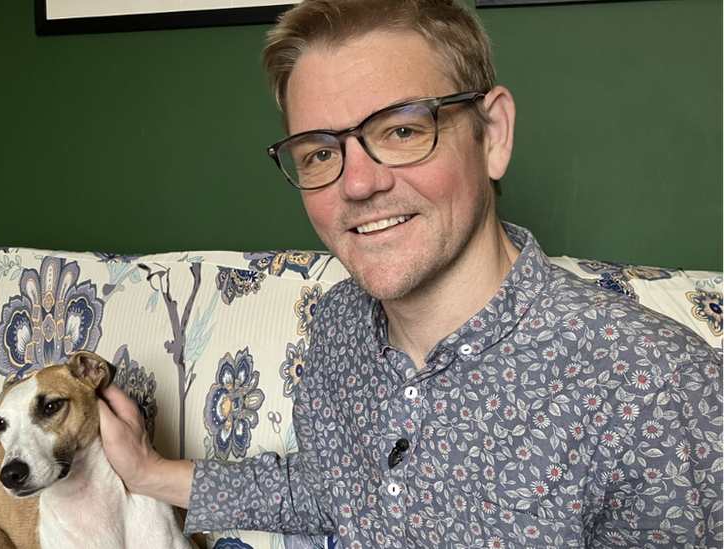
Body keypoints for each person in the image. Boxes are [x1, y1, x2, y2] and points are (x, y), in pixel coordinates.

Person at [97, 0, 724, 547]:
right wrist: (150, 472)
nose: (359, 182)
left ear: (493, 135)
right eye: (320, 151)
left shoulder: (657, 387)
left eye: (401, 130)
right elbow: (332, 490)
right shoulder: (338, 321)